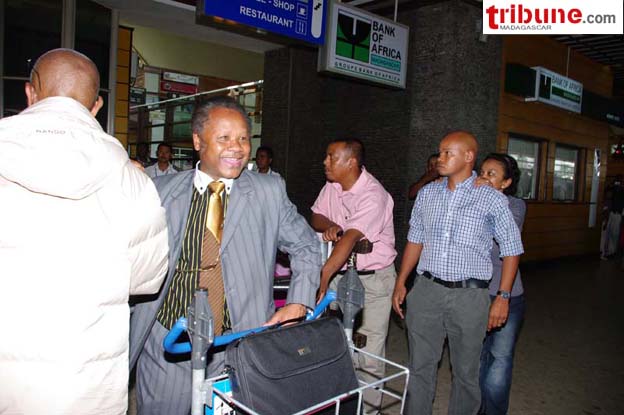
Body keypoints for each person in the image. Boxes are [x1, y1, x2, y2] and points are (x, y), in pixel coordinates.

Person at [0, 48, 168, 415]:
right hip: (87, 384)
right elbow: (147, 279)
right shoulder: (131, 181)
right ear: (96, 106)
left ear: (30, 93)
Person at [130, 96, 321, 415]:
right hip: (168, 344)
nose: (237, 148)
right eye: (224, 138)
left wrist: (298, 302)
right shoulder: (159, 190)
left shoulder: (268, 192)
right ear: (197, 141)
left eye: (244, 138)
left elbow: (306, 245)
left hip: (239, 342)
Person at [392, 131, 523, 415]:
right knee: (420, 367)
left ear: (468, 157)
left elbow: (512, 249)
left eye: (447, 153)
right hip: (427, 290)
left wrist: (503, 297)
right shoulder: (427, 194)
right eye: (440, 152)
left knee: (466, 373)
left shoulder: (490, 198)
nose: (439, 158)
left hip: (469, 296)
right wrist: (401, 281)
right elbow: (415, 239)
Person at [311, 139, 397, 414]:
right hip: (342, 274)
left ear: (351, 162)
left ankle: (369, 410)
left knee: (367, 354)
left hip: (371, 280)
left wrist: (323, 277)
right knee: (337, 346)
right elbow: (316, 215)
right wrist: (332, 226)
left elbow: (349, 239)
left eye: (331, 157)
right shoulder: (333, 185)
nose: (325, 162)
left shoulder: (374, 194)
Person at [476, 153, 526, 415]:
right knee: (475, 357)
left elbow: (504, 236)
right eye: (482, 172)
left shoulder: (515, 206)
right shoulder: (471, 201)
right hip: (474, 293)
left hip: (506, 295)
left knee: (499, 359)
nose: (484, 178)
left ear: (506, 183)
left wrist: (502, 297)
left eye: (491, 174)